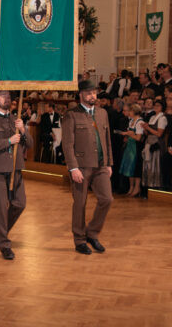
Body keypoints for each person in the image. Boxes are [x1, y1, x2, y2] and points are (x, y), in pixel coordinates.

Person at [61, 80, 113, 255]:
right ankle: (79, 240)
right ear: (81, 94)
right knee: (80, 203)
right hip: (81, 167)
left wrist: (108, 163)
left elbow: (107, 140)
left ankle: (92, 233)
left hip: (100, 165)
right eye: (89, 93)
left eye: (94, 93)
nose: (93, 96)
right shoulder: (71, 115)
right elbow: (67, 144)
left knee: (107, 199)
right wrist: (72, 168)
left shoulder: (102, 113)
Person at [0, 90, 33, 260]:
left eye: (9, 97)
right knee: (1, 208)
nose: (8, 99)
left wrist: (23, 130)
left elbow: (30, 144)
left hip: (15, 167)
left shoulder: (15, 119)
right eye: (3, 96)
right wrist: (9, 141)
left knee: (20, 203)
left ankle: (0, 228)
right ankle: (4, 244)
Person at [119, 103, 144, 197]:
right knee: (129, 167)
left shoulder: (139, 122)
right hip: (129, 146)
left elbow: (138, 138)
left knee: (135, 167)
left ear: (134, 111)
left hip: (136, 147)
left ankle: (137, 187)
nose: (128, 113)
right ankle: (131, 187)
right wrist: (125, 134)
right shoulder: (131, 121)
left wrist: (129, 134)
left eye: (130, 111)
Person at [141, 100, 167, 190]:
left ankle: (155, 186)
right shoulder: (152, 117)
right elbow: (149, 133)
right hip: (149, 141)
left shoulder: (162, 118)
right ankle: (148, 186)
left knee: (155, 165)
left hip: (156, 144)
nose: (156, 107)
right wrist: (145, 129)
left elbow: (159, 134)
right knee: (148, 165)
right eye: (155, 105)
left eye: (158, 105)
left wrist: (148, 128)